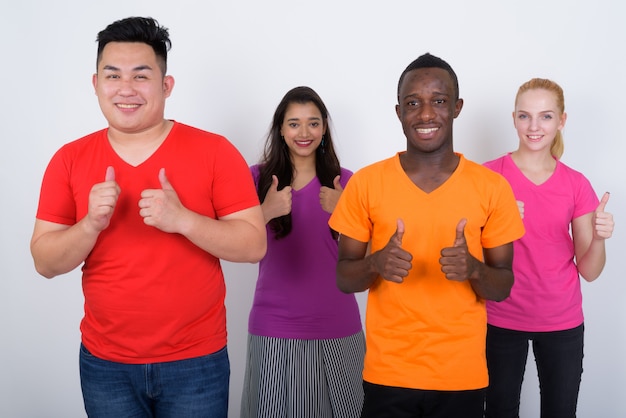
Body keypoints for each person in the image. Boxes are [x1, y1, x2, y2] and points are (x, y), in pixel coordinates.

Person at [30, 17, 266, 417]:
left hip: (197, 362)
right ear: (95, 83)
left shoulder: (214, 151)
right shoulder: (68, 159)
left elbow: (253, 245)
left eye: (141, 76)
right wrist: (89, 225)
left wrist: (183, 220)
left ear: (165, 85)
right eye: (113, 75)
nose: (126, 89)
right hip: (106, 363)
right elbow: (44, 262)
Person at [328, 53, 526, 418]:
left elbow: (503, 286)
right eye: (413, 103)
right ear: (399, 111)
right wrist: (375, 262)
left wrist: (475, 269)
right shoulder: (367, 184)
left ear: (457, 107)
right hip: (388, 373)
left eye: (438, 101)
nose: (425, 114)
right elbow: (344, 277)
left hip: (461, 376)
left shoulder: (492, 188)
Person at [483, 78, 614, 418]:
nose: (534, 126)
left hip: (561, 319)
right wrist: (498, 223)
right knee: (499, 410)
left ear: (561, 121)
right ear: (513, 119)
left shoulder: (576, 184)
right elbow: (467, 256)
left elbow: (590, 270)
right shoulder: (487, 179)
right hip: (500, 316)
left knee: (560, 412)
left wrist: (598, 239)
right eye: (525, 116)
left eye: (545, 116)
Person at [240, 86, 365, 418]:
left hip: (339, 325)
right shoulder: (256, 178)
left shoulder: (346, 183)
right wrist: (265, 211)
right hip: (275, 326)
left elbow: (372, 254)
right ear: (281, 129)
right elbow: (236, 243)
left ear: (324, 128)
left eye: (313, 123)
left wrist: (345, 211)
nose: (304, 132)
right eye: (294, 123)